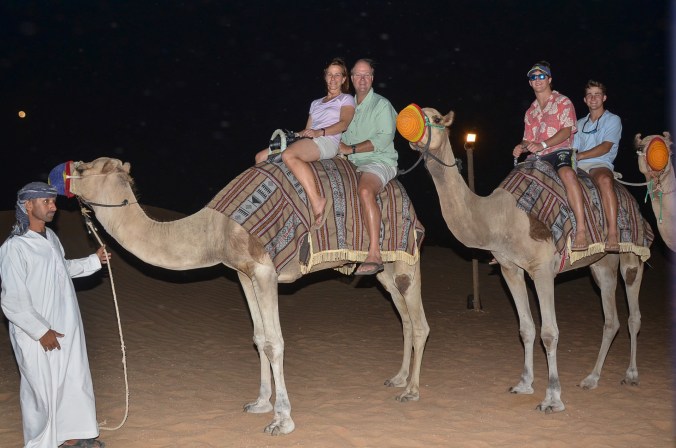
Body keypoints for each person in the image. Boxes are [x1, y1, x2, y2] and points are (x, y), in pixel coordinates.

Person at [0, 182, 110, 448]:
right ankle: (41, 443)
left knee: (72, 379)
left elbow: (62, 269)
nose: (53, 206)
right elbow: (12, 299)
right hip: (36, 333)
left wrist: (94, 261)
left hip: (66, 324)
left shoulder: (50, 238)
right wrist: (40, 331)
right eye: (46, 202)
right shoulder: (15, 247)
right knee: (41, 390)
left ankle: (71, 436)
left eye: (53, 201)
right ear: (28, 205)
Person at [255, 57, 356, 228]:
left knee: (289, 154)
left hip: (327, 140)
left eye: (337, 75)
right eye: (330, 75)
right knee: (261, 157)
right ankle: (273, 199)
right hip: (311, 138)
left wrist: (320, 132)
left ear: (344, 79)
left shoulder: (346, 99)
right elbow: (307, 130)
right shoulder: (315, 103)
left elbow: (343, 124)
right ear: (325, 77)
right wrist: (293, 135)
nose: (333, 79)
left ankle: (318, 200)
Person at [512, 61, 588, 251]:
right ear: (530, 83)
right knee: (514, 184)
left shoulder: (563, 102)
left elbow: (567, 130)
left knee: (568, 175)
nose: (537, 80)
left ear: (549, 79)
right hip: (536, 157)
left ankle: (581, 230)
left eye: (541, 76)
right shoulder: (530, 112)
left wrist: (543, 144)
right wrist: (520, 147)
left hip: (559, 151)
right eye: (533, 77)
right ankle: (511, 239)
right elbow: (527, 139)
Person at [338, 58, 399, 275]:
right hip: (350, 163)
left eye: (366, 75)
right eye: (358, 75)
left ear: (372, 78)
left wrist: (350, 149)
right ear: (351, 78)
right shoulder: (346, 106)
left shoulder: (382, 105)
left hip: (379, 160)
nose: (362, 79)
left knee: (364, 190)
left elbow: (383, 140)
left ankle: (374, 253)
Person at [573, 80, 622, 252]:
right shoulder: (579, 123)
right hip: (578, 166)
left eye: (597, 94)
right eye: (589, 95)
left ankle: (613, 233)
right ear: (585, 100)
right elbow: (572, 147)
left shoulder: (613, 119)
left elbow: (606, 146)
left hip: (600, 163)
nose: (593, 98)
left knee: (604, 180)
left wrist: (581, 155)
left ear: (604, 98)